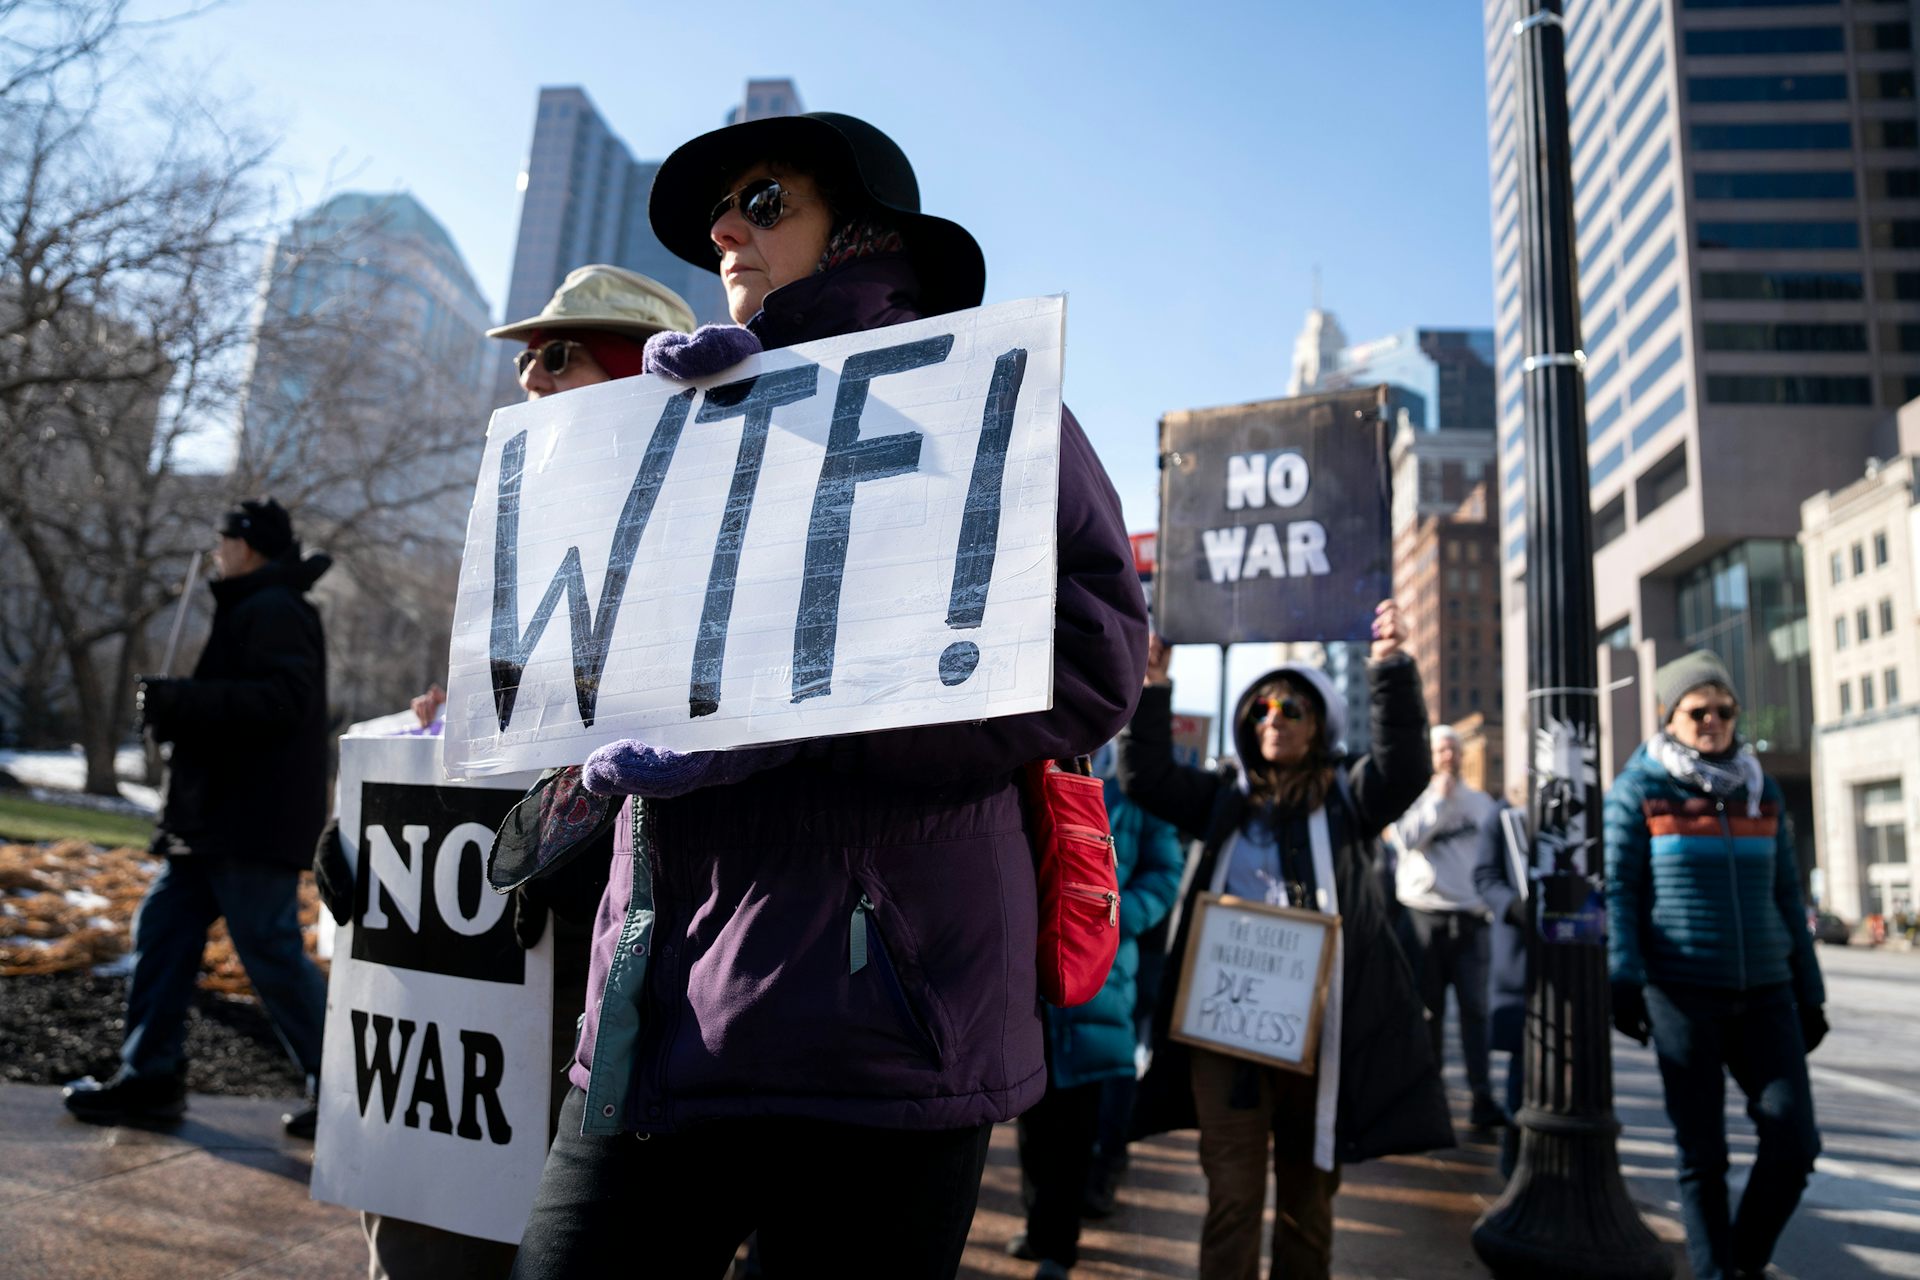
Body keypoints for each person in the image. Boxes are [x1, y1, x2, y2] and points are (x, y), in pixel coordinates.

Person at [494, 113, 1147, 1279]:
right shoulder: (676, 421)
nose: (723, 229)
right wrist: (589, 746)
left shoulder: (983, 397)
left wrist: (801, 724)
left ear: (861, 230)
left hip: (881, 1037)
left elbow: (1095, 653)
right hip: (654, 1019)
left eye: (762, 199)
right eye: (719, 214)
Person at [310, 264, 696, 1280]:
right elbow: (471, 732)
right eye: (525, 354)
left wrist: (580, 840)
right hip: (470, 962)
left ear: (631, 374)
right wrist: (372, 827)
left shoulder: (701, 550)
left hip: (605, 974)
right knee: (421, 1228)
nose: (528, 375)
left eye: (556, 354)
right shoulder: (520, 536)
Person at [1120, 607, 1452, 1280]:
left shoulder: (1350, 797)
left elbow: (1407, 767)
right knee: (1233, 1201)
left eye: (1292, 708)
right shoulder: (1221, 799)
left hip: (1321, 1042)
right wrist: (1154, 683)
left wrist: (1389, 665)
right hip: (1225, 1036)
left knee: (1308, 1207)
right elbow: (1144, 777)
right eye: (1263, 707)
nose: (1274, 717)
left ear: (1319, 723)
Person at [65, 499, 332, 1136]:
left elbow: (282, 702)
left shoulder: (275, 609)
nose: (215, 547)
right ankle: (149, 1080)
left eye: (224, 537)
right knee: (162, 931)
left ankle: (350, 1092)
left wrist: (180, 702)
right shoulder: (257, 604)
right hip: (214, 822)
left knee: (269, 952)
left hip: (246, 823)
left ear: (249, 544)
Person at [1605, 651, 1827, 1280]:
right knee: (1702, 1157)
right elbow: (1619, 890)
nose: (1713, 721)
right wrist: (1624, 978)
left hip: (1766, 992)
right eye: (1697, 710)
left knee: (1794, 1142)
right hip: (1681, 994)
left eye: (1724, 711)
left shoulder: (1762, 791)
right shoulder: (1640, 789)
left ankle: (1741, 1262)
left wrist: (1810, 993)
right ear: (1667, 716)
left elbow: (1788, 896)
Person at [1011, 743, 1184, 1279]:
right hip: (1031, 978)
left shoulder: (1137, 790)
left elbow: (1165, 873)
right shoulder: (1028, 767)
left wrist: (1104, 919)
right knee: (1032, 1123)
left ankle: (1059, 1247)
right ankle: (1041, 1226)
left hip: (1100, 979)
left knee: (1078, 1122)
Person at [1390, 725, 1502, 1129]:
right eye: (1440, 750)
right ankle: (1428, 1098)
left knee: (1476, 1011)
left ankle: (1482, 1095)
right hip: (1423, 917)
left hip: (1471, 921)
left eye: (1454, 749)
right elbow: (1405, 840)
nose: (1448, 757)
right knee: (1426, 1011)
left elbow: (1496, 854)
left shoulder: (1481, 803)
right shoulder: (1413, 800)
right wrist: (1437, 800)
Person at [1470, 782, 1529, 1177]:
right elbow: (1485, 875)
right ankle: (1515, 1165)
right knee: (1522, 1069)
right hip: (1522, 957)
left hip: (1573, 956)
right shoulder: (1502, 814)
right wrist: (1513, 905)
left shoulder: (1579, 804)